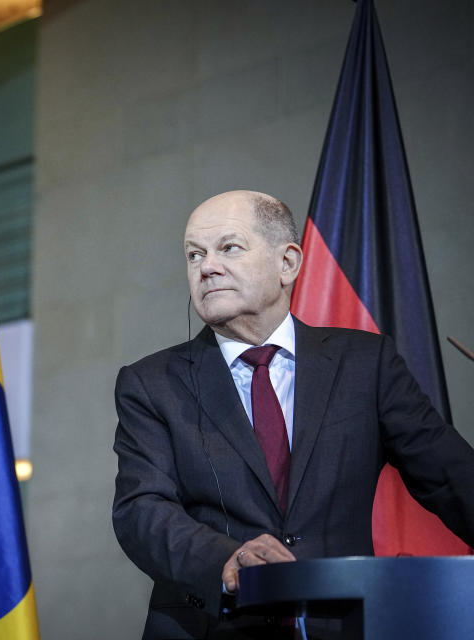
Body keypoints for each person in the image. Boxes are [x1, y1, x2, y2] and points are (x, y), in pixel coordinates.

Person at [112, 190, 474, 639]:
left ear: (288, 263)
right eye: (194, 254)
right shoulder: (151, 382)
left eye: (229, 248)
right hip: (211, 625)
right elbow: (141, 508)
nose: (206, 267)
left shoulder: (364, 364)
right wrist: (224, 559)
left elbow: (450, 475)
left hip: (339, 623)